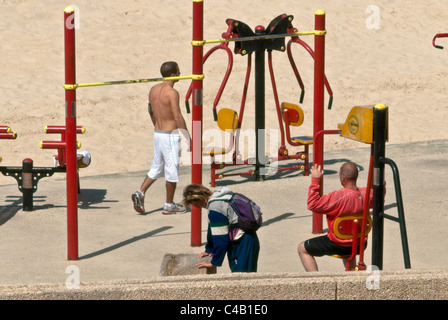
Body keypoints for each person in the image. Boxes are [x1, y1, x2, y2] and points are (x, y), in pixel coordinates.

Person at [132, 61, 191, 215]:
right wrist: (187, 137)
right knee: (172, 171)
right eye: (178, 71)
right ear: (172, 74)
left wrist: (156, 125)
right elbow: (177, 116)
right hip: (170, 136)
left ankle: (140, 192)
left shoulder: (153, 90)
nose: (180, 74)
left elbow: (150, 111)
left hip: (158, 134)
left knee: (156, 168)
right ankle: (169, 205)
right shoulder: (172, 92)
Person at [298, 162, 375, 272]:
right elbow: (379, 197)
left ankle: (316, 281)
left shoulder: (338, 197)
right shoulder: (367, 194)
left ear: (343, 178)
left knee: (302, 248)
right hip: (360, 245)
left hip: (338, 245)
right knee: (350, 236)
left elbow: (312, 204)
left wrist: (315, 180)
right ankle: (351, 270)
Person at [182, 184, 260, 273]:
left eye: (196, 204)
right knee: (246, 276)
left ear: (201, 198)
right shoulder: (220, 197)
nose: (198, 207)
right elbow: (212, 229)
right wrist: (210, 249)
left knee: (241, 278)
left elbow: (221, 238)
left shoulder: (215, 207)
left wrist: (214, 262)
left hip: (241, 243)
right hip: (249, 238)